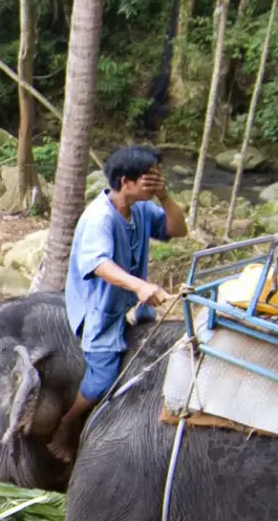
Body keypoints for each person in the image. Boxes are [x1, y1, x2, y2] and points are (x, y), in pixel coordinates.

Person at [51, 145, 187, 462]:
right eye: (149, 180)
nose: (155, 184)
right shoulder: (100, 218)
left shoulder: (141, 209)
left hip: (130, 304)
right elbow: (99, 263)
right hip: (100, 309)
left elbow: (178, 229)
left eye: (158, 178)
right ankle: (67, 425)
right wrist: (139, 285)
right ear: (126, 182)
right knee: (103, 378)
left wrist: (165, 197)